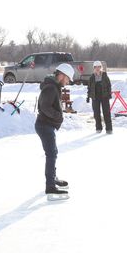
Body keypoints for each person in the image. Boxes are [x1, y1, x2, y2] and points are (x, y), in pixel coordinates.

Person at [35, 63, 74, 198]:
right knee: (51, 154)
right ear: (62, 75)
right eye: (68, 79)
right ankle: (50, 186)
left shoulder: (54, 86)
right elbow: (44, 106)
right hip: (44, 125)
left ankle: (53, 178)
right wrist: (58, 116)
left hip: (47, 125)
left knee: (53, 153)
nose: (68, 82)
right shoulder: (51, 88)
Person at [86, 61, 113, 134]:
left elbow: (109, 86)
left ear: (101, 67)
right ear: (94, 68)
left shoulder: (104, 76)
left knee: (106, 112)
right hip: (95, 97)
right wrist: (88, 97)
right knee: (96, 113)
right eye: (95, 67)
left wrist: (109, 94)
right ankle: (98, 128)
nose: (97, 68)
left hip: (104, 96)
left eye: (99, 67)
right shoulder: (92, 77)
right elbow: (89, 88)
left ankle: (109, 129)